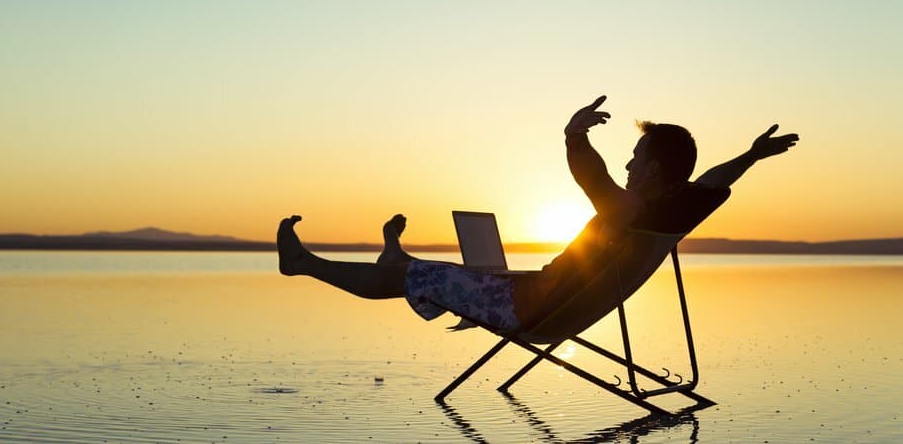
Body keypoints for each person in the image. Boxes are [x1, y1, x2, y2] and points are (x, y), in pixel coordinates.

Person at [277, 96, 799, 331]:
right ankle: (400, 258)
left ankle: (305, 264)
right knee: (448, 273)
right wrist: (751, 156)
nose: (628, 164)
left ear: (657, 168)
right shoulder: (680, 208)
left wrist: (573, 134)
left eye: (637, 158)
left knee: (414, 280)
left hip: (527, 310)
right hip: (548, 299)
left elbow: (592, 179)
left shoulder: (630, 208)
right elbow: (713, 181)